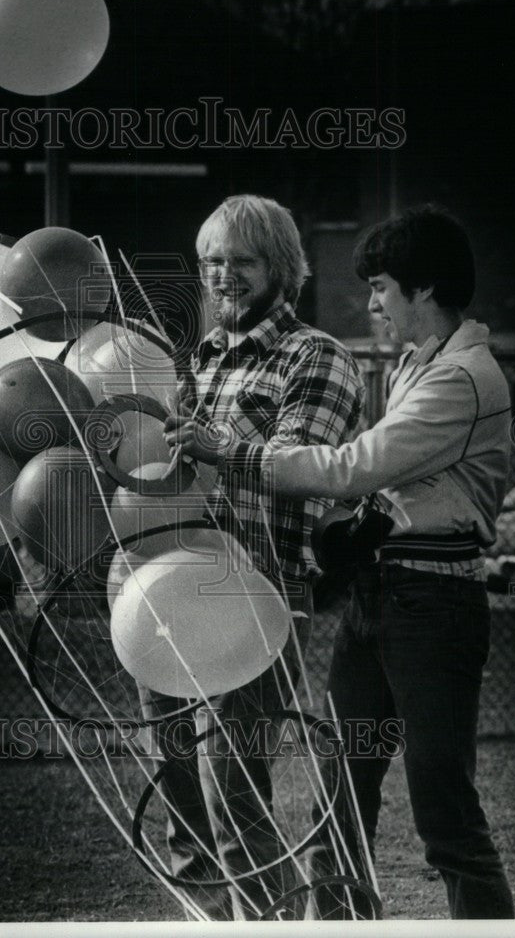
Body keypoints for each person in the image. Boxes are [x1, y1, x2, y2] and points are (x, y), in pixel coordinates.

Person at [166, 203, 515, 920]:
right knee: (340, 796)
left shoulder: (461, 379)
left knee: (441, 808)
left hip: (433, 606)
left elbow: (354, 466)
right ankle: (332, 928)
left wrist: (228, 452)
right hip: (379, 597)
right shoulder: (422, 366)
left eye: (381, 287)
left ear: (422, 290)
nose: (370, 303)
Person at [151, 194, 364, 920]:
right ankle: (209, 920)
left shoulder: (317, 356)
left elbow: (300, 463)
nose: (222, 276)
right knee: (174, 774)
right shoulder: (194, 359)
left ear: (281, 267)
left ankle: (262, 926)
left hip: (259, 591)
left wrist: (215, 448)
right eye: (211, 261)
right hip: (166, 586)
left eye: (240, 261)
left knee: (231, 781)